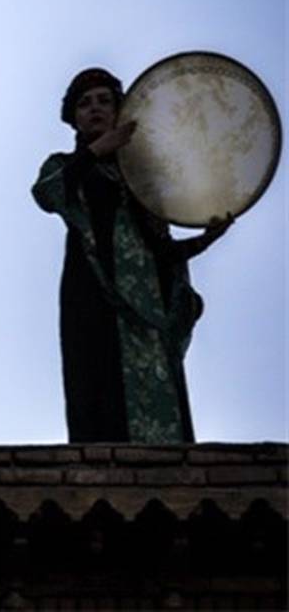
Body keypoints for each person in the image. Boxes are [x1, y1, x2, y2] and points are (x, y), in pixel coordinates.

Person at [32, 68, 231, 443]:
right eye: (85, 104)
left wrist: (206, 239)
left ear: (118, 111)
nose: (95, 108)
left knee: (159, 388)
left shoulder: (143, 178)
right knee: (98, 384)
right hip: (93, 293)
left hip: (148, 305)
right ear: (74, 117)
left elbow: (162, 251)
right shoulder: (64, 165)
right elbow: (46, 193)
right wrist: (97, 152)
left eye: (104, 101)